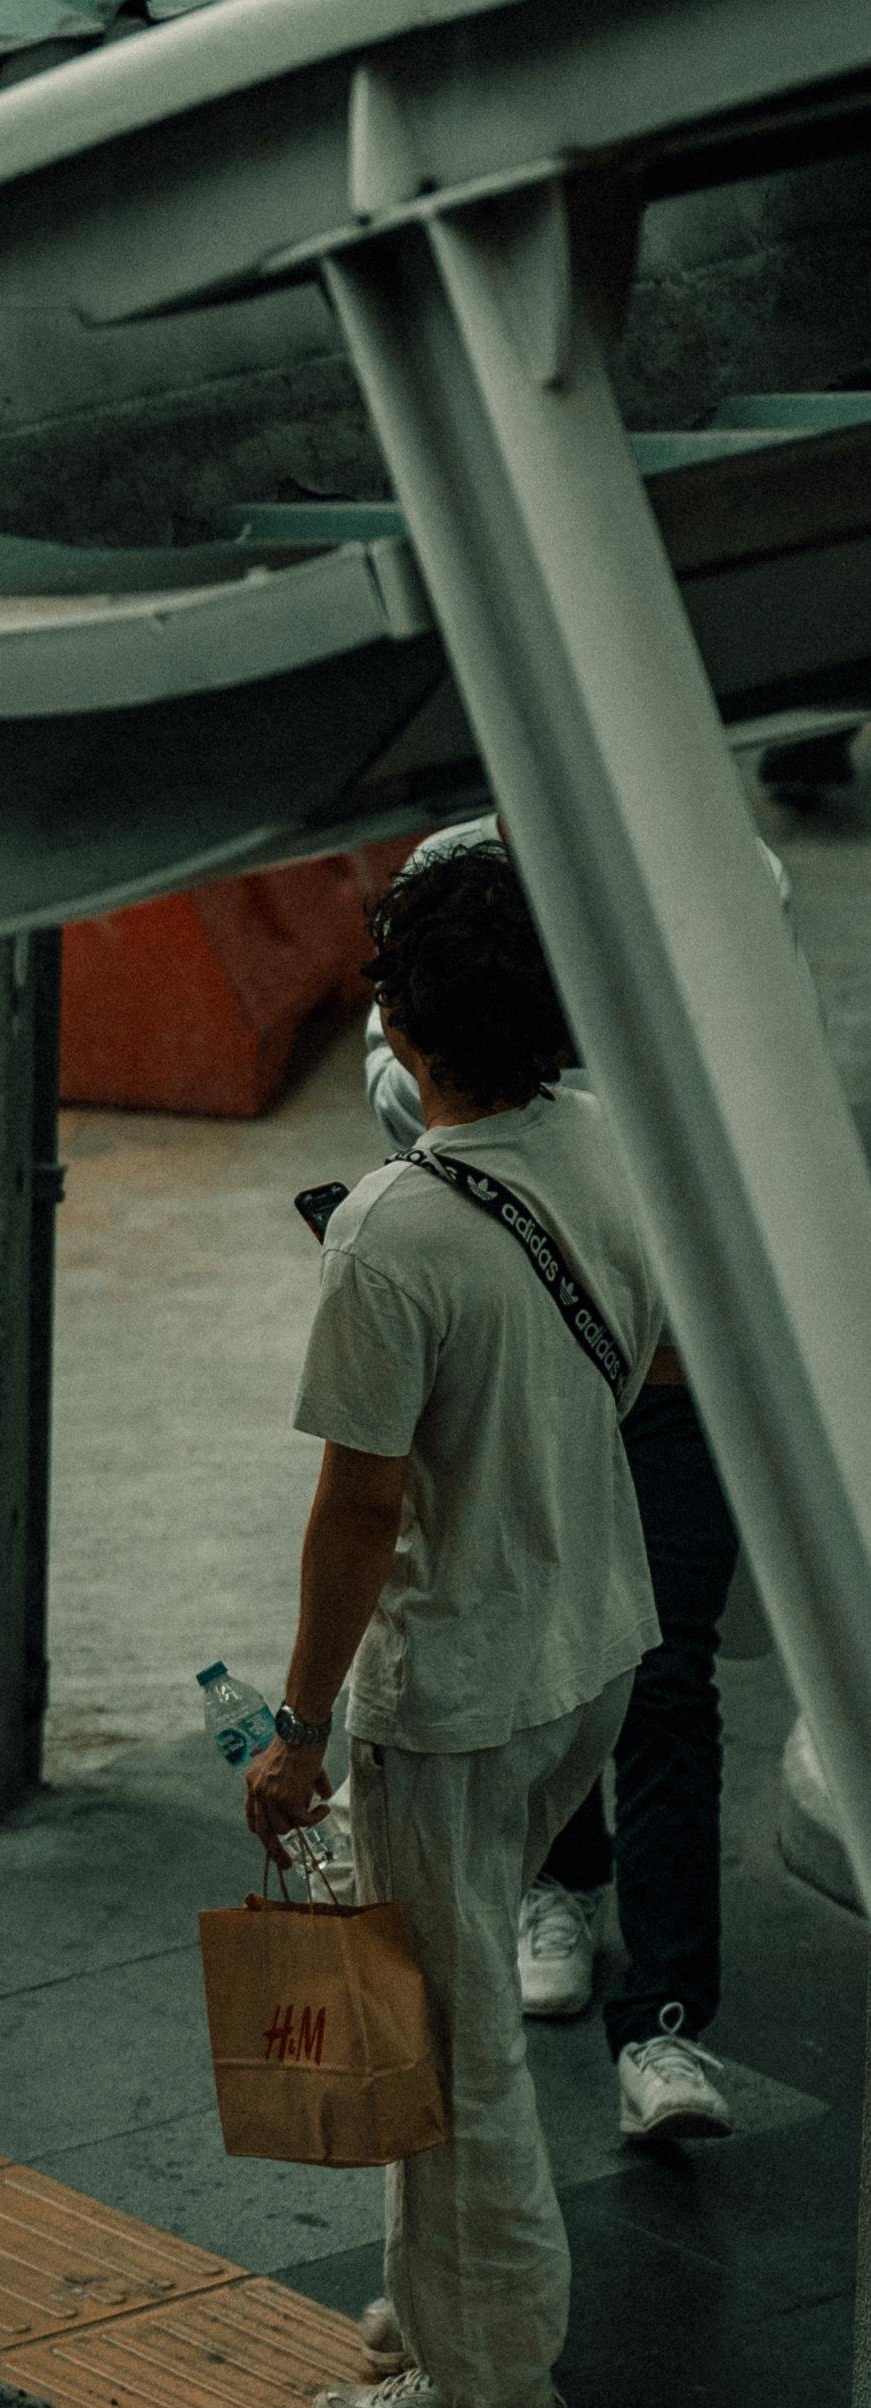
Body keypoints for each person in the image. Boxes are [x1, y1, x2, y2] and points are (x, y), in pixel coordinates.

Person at [243, 839, 665, 2408]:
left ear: (399, 1017)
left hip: (461, 1685)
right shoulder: (609, 1149)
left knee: (446, 2036)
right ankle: (440, 2306)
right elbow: (642, 1357)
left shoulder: (391, 1233)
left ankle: (493, 2403)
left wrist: (292, 1734)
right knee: (443, 2006)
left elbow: (358, 1511)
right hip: (592, 1642)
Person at [363, 819, 751, 2145]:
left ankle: (663, 2027)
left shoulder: (705, 874)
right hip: (531, 1389)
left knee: (664, 1679)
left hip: (668, 1392)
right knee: (548, 1659)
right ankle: (563, 1884)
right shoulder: (447, 897)